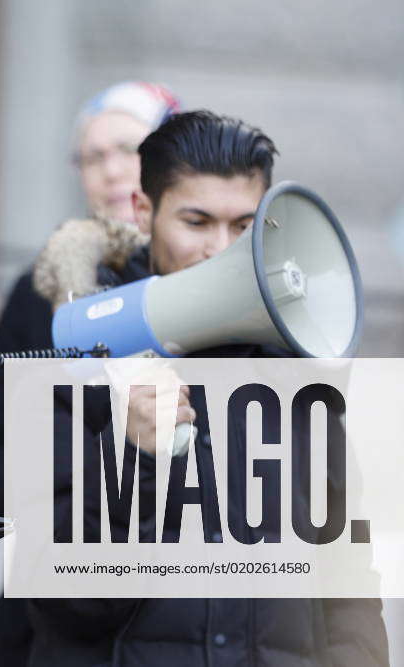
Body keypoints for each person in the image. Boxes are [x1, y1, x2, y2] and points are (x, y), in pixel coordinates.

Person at [27, 110, 389, 665]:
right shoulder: (80, 359)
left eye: (245, 227)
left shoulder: (300, 373)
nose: (222, 250)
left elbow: (347, 582)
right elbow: (58, 601)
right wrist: (133, 459)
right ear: (144, 211)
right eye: (196, 223)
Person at [0, 81, 179, 667]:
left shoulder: (202, 286)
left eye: (129, 150)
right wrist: (68, 493)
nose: (111, 171)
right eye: (94, 156)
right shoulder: (40, 292)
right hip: (57, 611)